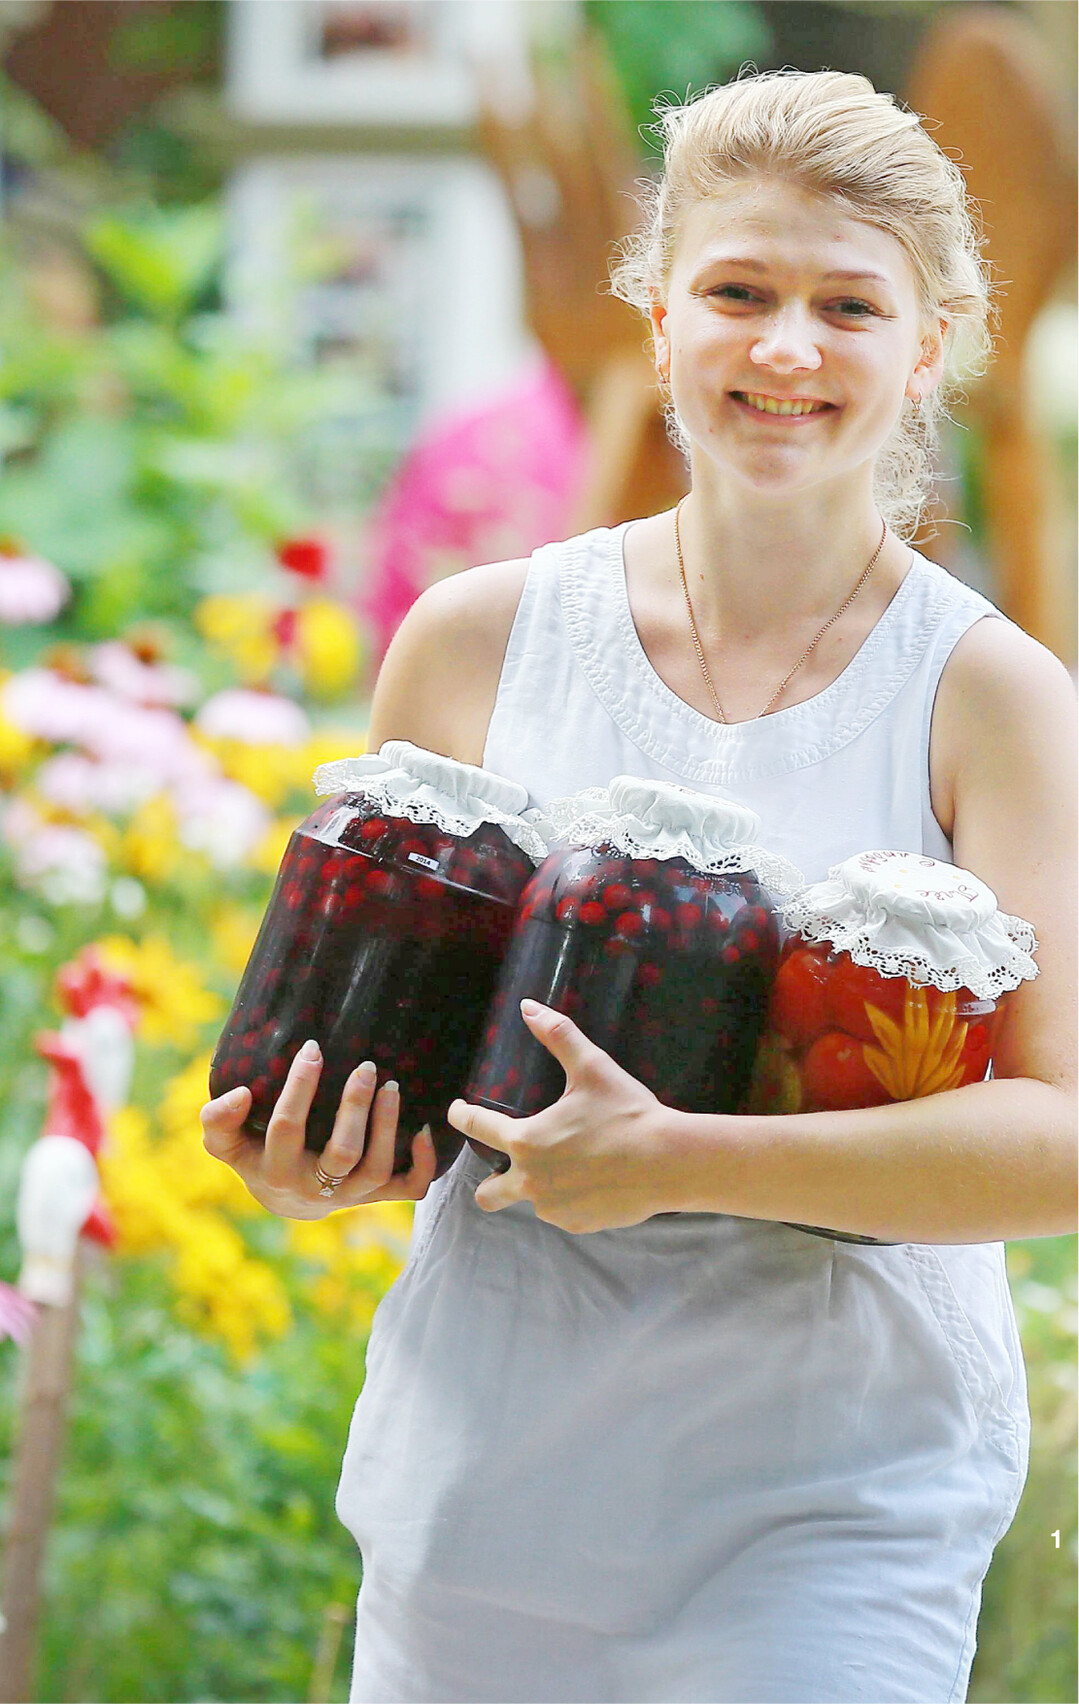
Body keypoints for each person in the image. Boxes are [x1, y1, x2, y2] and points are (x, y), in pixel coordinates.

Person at [201, 70, 1076, 1704]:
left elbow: (1063, 1137)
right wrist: (313, 1155)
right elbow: (382, 1060)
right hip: (488, 1497)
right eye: (737, 291)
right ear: (657, 314)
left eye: (847, 305)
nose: (786, 349)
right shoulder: (473, 638)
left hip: (830, 1515)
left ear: (935, 339)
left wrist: (682, 1159)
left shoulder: (995, 699)